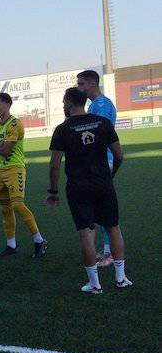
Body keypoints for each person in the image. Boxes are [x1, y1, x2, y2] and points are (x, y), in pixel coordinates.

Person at [47, 87, 131, 293]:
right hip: (103, 183)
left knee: (86, 232)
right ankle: (121, 278)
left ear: (68, 102)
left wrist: (53, 191)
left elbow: (54, 165)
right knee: (113, 227)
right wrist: (111, 175)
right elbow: (119, 155)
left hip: (78, 186)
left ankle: (95, 284)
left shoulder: (62, 129)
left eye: (63, 102)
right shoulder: (102, 123)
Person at [0, 92, 47, 258]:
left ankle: (39, 240)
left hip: (15, 169)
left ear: (7, 105)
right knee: (5, 209)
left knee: (18, 205)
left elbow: (6, 151)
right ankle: (11, 245)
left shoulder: (15, 124)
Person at [77, 69, 118, 267]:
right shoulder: (95, 105)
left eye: (81, 84)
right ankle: (108, 249)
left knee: (104, 209)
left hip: (103, 162)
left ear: (92, 84)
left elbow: (101, 135)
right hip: (96, 163)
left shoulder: (102, 106)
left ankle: (111, 253)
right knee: (99, 208)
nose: (79, 88)